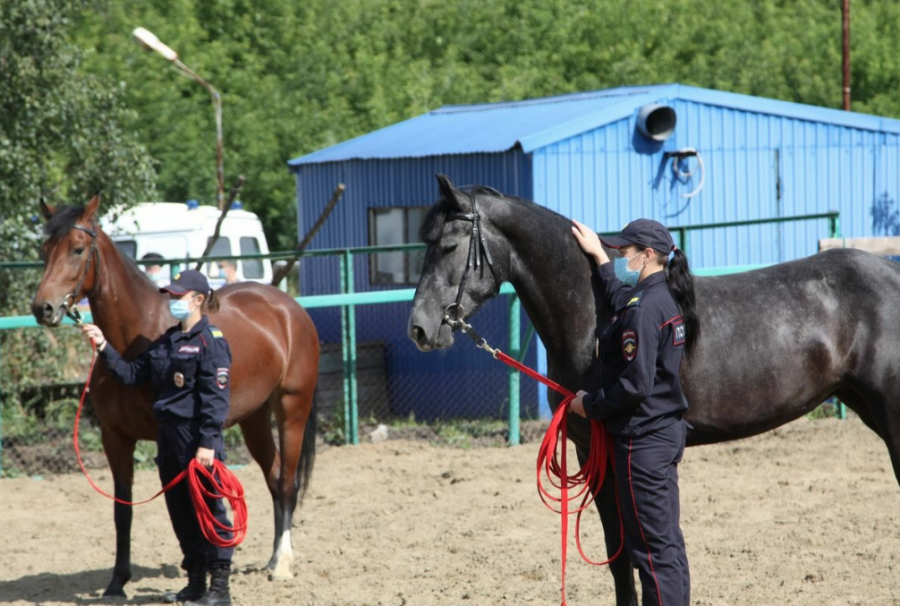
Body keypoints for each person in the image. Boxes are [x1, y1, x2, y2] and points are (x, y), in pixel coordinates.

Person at [80, 270, 234, 606]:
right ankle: (195, 582)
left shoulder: (212, 342)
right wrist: (104, 345)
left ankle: (220, 589)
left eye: (179, 296)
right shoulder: (167, 340)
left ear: (197, 300)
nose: (172, 301)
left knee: (210, 510)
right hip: (167, 437)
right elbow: (132, 374)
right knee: (180, 511)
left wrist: (208, 441)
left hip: (196, 438)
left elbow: (216, 398)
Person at [569, 218, 699, 606]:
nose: (620, 255)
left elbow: (635, 384)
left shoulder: (644, 309)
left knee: (650, 553)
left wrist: (588, 405)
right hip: (666, 433)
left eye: (625, 252)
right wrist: (599, 259)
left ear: (647, 255)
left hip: (642, 443)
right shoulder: (663, 297)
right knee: (667, 546)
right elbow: (621, 299)